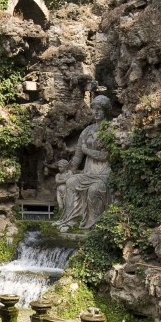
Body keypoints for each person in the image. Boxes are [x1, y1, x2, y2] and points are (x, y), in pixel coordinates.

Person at [56, 95, 113, 230]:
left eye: (99, 109)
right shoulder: (87, 131)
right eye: (94, 109)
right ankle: (70, 220)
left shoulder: (111, 129)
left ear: (105, 110)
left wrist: (87, 150)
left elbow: (105, 155)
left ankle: (94, 225)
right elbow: (77, 157)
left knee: (94, 189)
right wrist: (71, 170)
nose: (97, 112)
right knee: (71, 182)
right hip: (88, 172)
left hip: (104, 173)